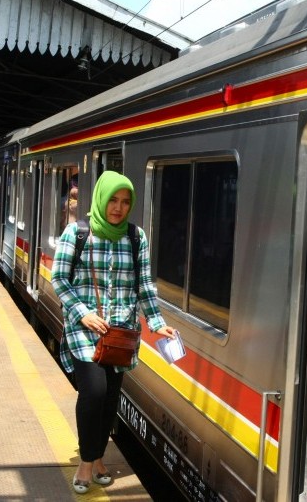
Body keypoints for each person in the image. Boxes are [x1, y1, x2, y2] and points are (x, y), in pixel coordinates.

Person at [51, 171, 177, 495]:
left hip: (120, 334)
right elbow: (60, 280)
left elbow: (144, 286)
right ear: (101, 199)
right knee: (93, 393)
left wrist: (156, 322)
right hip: (85, 330)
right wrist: (83, 314)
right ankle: (87, 461)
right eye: (113, 201)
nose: (118, 208)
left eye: (125, 202)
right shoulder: (76, 233)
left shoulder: (136, 238)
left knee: (109, 400)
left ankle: (98, 459)